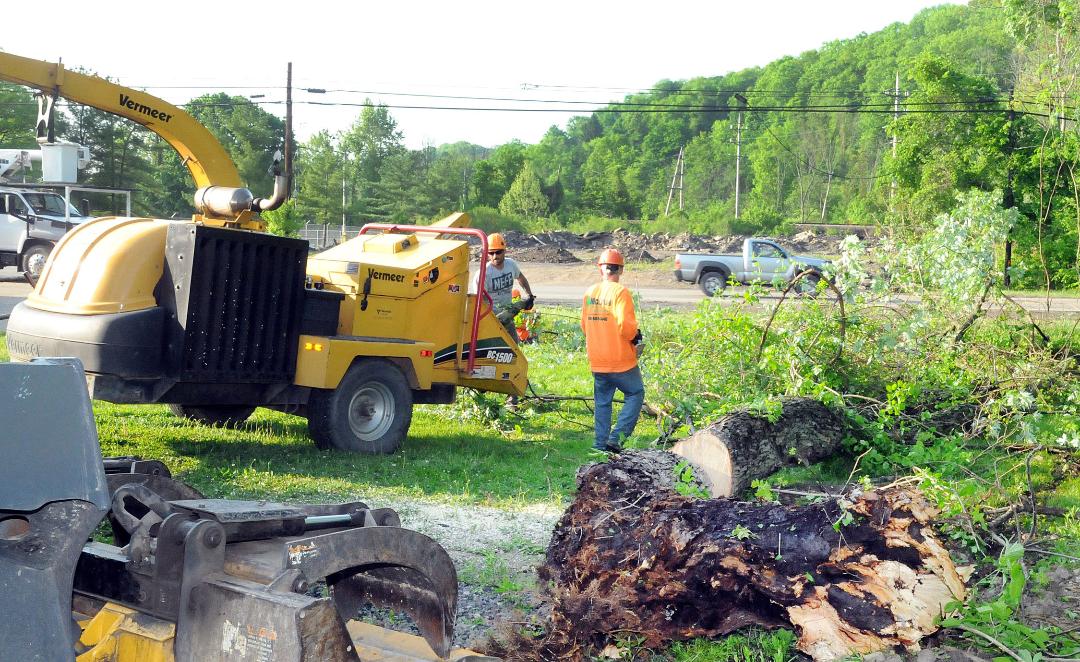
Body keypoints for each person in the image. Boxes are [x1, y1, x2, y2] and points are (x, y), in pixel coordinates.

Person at [581, 248, 645, 453]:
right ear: (621, 270)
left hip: (597, 360)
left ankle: (600, 445)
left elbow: (584, 326)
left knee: (602, 402)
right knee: (635, 393)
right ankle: (616, 438)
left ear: (601, 269)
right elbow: (626, 326)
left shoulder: (590, 293)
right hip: (620, 360)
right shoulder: (620, 292)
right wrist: (635, 336)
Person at [476, 232, 534, 341]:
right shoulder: (483, 274)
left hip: (508, 314)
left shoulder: (510, 264)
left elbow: (521, 277)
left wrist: (529, 295)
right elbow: (479, 301)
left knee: (513, 344)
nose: (495, 256)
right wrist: (493, 316)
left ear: (504, 251)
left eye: (498, 252)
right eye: (491, 253)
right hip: (491, 318)